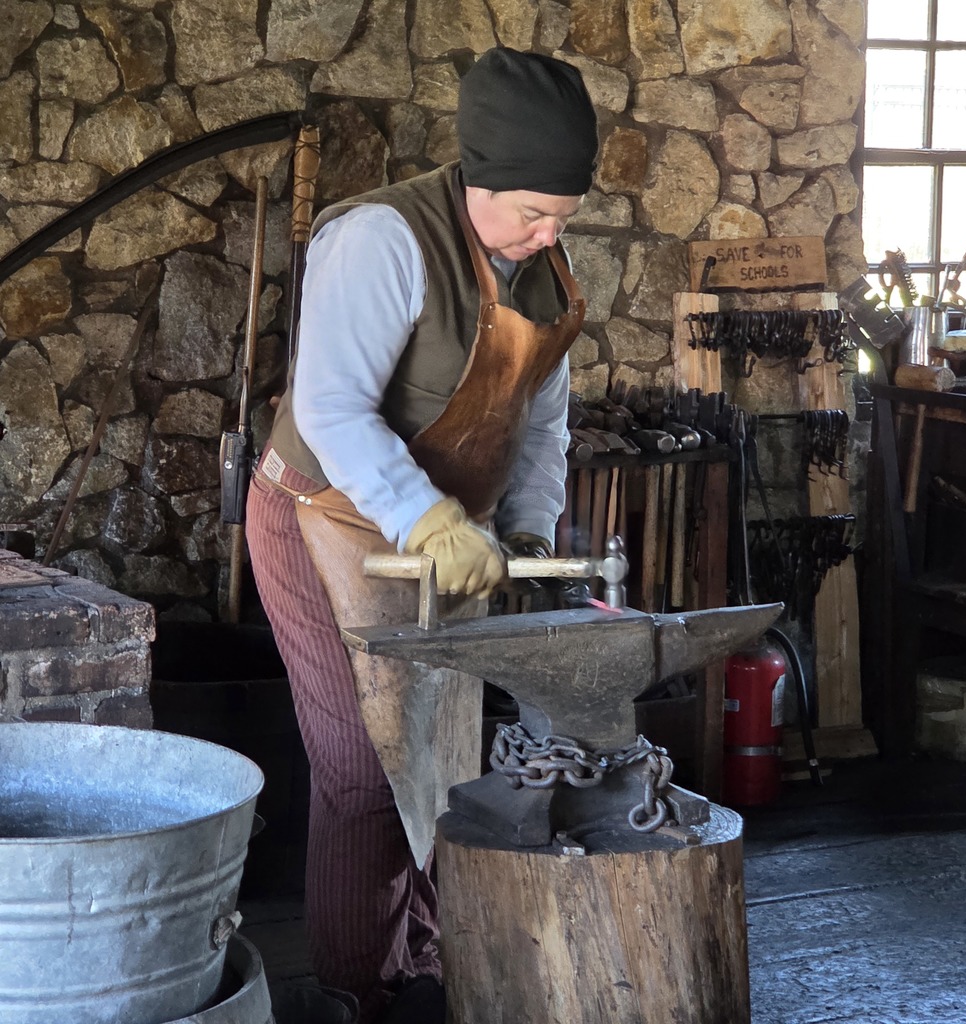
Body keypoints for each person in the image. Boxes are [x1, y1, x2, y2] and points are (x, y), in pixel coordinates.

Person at [245, 46, 598, 1024]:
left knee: (438, 757)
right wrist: (433, 519)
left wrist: (525, 533)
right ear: (478, 174)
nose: (546, 233)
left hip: (442, 535)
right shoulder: (382, 240)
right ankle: (354, 988)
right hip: (322, 515)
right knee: (363, 765)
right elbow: (330, 407)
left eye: (563, 215)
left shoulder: (546, 272)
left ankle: (428, 966)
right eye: (531, 212)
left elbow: (539, 423)